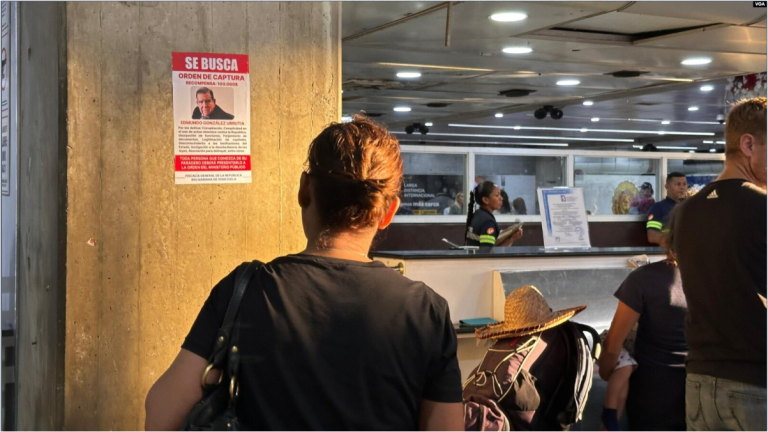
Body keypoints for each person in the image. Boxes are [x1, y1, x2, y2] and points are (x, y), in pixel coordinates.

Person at [145, 116, 464, 432]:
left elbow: (162, 415)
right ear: (388, 212)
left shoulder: (244, 291)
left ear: (304, 189)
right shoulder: (426, 311)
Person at [672, 97, 767, 431]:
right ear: (748, 144)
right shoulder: (762, 208)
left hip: (699, 380)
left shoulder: (685, 212)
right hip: (754, 382)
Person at [598, 224, 688, 432]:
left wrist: (606, 372)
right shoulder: (719, 280)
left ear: (669, 238)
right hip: (702, 394)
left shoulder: (643, 279)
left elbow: (613, 345)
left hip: (651, 397)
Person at [464, 181, 523, 247]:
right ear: (486, 200)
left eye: (500, 195)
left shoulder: (477, 215)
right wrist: (512, 239)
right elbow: (489, 254)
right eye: (497, 195)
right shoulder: (488, 222)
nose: (501, 198)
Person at [646, 173, 687, 245]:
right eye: (678, 184)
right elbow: (652, 236)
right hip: (669, 252)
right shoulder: (658, 208)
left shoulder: (691, 207)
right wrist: (674, 240)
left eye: (684, 184)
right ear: (667, 187)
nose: (682, 187)